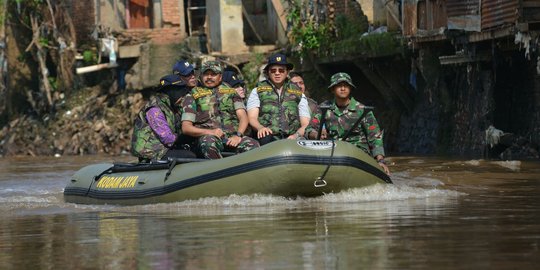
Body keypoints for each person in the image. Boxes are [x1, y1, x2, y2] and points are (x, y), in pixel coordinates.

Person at [306, 72, 390, 175]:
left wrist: (380, 160)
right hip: (333, 153)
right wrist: (316, 134)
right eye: (339, 86)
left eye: (346, 86)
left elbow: (375, 136)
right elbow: (310, 129)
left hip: (358, 155)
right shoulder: (323, 108)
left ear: (350, 89)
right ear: (332, 89)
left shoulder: (362, 110)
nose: (343, 88)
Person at [180, 61, 259, 159]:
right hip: (209, 137)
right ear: (201, 76)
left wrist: (238, 135)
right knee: (208, 144)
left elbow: (243, 116)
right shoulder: (192, 95)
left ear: (220, 77)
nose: (209, 77)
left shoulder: (231, 91)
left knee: (253, 144)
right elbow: (186, 128)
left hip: (233, 136)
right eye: (206, 74)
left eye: (213, 74)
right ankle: (221, 171)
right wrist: (211, 132)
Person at [246, 53, 310, 145]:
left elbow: (305, 123)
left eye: (281, 70)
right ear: (268, 72)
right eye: (273, 70)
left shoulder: (298, 92)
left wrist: (296, 135)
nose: (277, 73)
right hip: (268, 138)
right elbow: (252, 118)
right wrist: (260, 128)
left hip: (292, 138)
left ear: (287, 72)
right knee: (264, 138)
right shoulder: (257, 91)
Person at [131, 74, 195, 162]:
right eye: (179, 90)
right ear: (170, 92)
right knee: (190, 156)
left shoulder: (171, 107)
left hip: (164, 149)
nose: (183, 94)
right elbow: (168, 139)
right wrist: (184, 138)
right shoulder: (154, 109)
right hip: (152, 153)